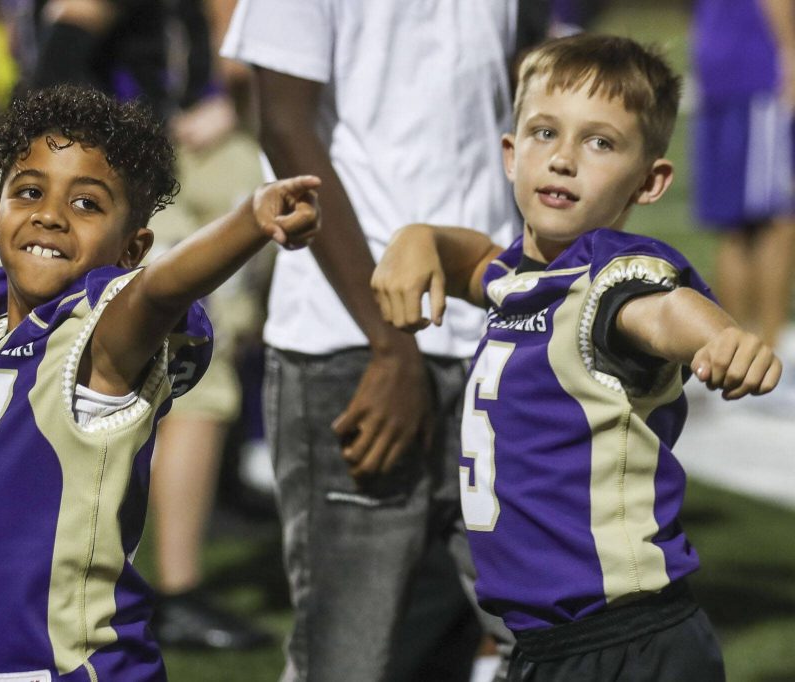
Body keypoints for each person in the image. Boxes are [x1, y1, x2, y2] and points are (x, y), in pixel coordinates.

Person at [0, 83, 319, 681]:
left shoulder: (100, 342)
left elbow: (161, 291)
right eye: (30, 192)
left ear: (132, 248)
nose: (50, 215)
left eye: (87, 204)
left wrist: (250, 220)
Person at [371, 34, 783, 682]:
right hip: (547, 642)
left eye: (600, 143)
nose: (563, 159)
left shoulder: (611, 280)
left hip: (626, 641)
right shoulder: (521, 276)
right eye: (543, 133)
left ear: (650, 180)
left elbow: (660, 309)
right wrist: (416, 238)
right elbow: (474, 262)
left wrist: (720, 339)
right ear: (510, 155)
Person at [221, 2, 520, 680]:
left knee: (522, 637)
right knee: (347, 656)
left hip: (486, 331)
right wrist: (390, 348)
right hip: (352, 341)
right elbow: (284, 125)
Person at [29, 0, 274, 649]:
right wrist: (120, 163)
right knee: (188, 368)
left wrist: (223, 102)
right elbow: (60, 62)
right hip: (147, 179)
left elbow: (226, 58)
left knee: (183, 372)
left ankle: (137, 584)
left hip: (177, 165)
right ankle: (168, 590)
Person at [691, 0, 795, 352]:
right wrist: (790, 52)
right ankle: (766, 353)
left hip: (719, 67)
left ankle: (734, 351)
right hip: (759, 70)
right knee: (777, 220)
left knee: (737, 227)